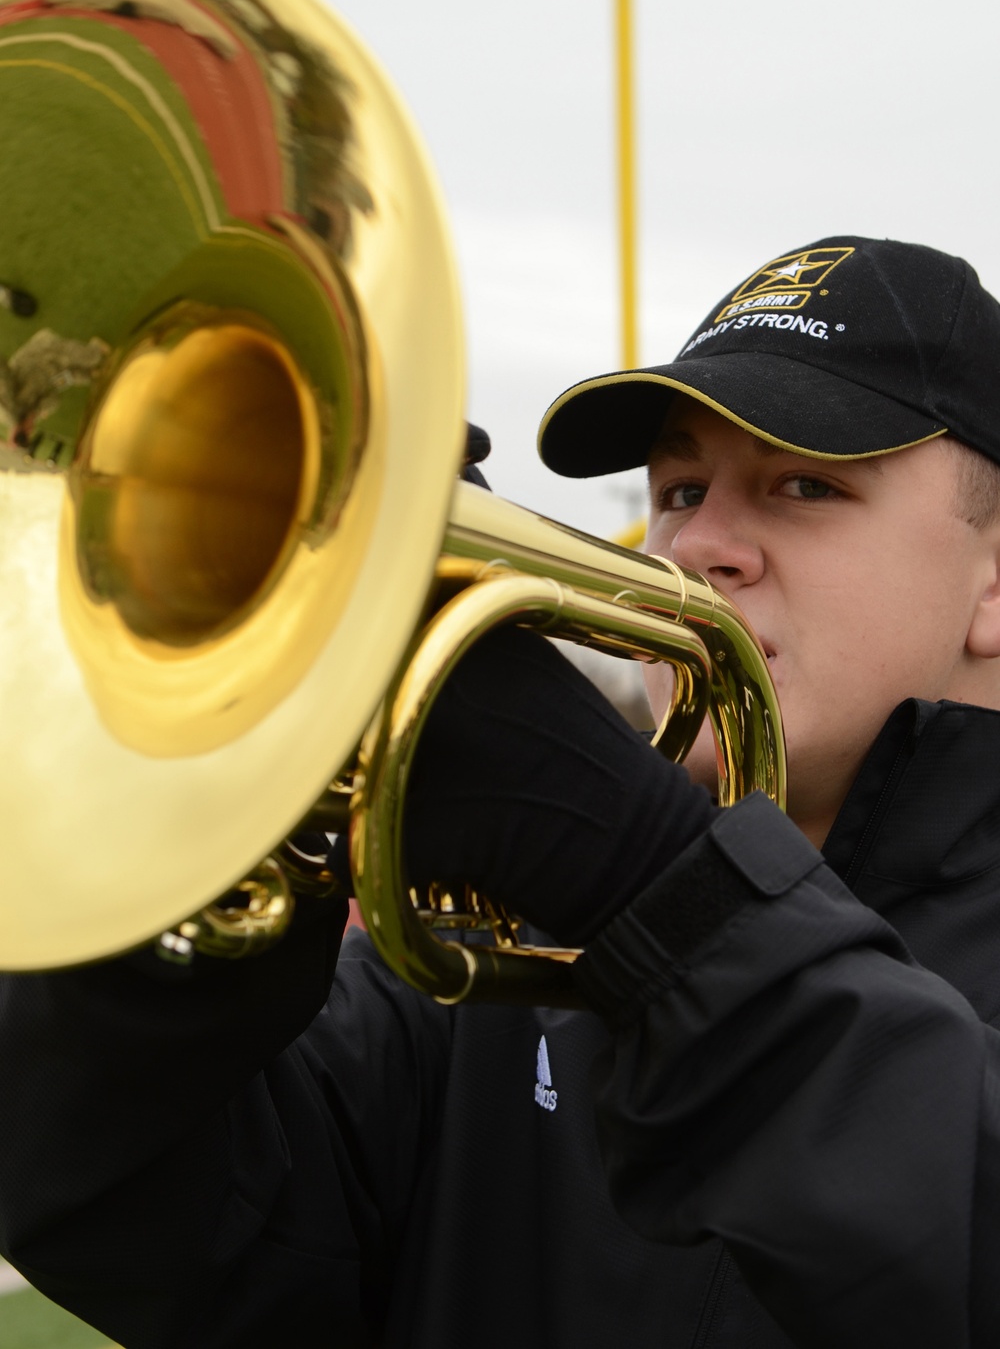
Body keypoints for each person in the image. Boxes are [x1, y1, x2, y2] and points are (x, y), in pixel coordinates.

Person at [2, 234, 1000, 1349]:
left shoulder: (601, 889)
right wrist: (243, 812)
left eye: (806, 485)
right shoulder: (489, 965)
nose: (700, 543)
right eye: (679, 487)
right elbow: (113, 1198)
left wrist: (644, 880)